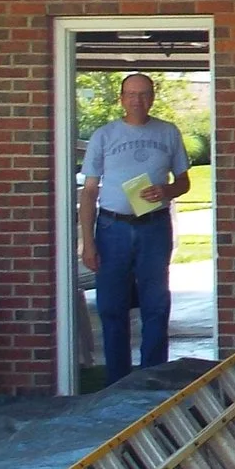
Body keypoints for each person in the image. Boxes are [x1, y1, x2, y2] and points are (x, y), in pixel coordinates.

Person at [76, 72, 192, 384]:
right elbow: (89, 192)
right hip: (113, 228)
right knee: (112, 308)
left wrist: (165, 191)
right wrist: (88, 242)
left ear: (152, 98)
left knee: (155, 305)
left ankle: (153, 378)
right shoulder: (104, 135)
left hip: (154, 228)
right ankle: (118, 382)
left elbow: (184, 181)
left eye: (143, 94)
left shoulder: (168, 132)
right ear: (121, 99)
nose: (137, 100)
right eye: (131, 94)